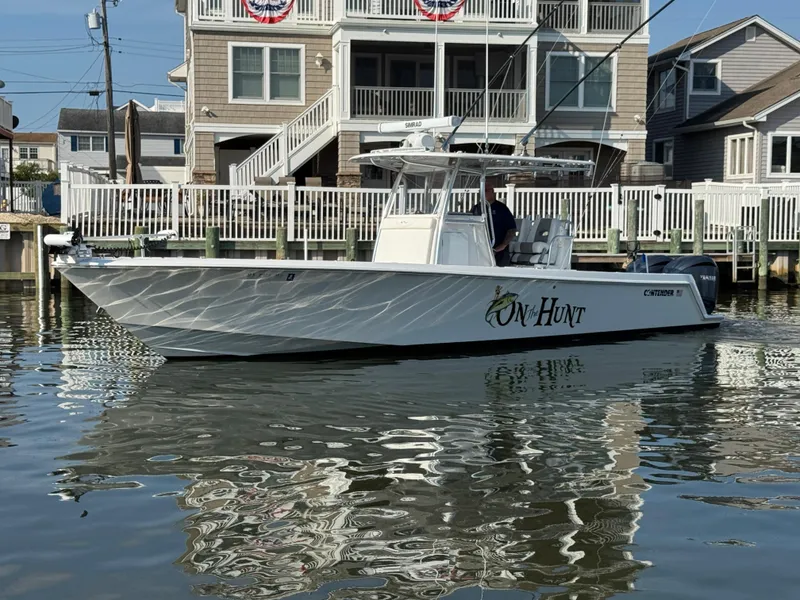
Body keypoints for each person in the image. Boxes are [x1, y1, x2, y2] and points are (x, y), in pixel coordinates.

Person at [471, 183, 517, 267]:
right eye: (481, 191)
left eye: (485, 191)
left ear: (492, 192)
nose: (483, 193)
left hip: (499, 252)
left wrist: (502, 246)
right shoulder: (476, 208)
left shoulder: (502, 209)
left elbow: (512, 229)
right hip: (480, 250)